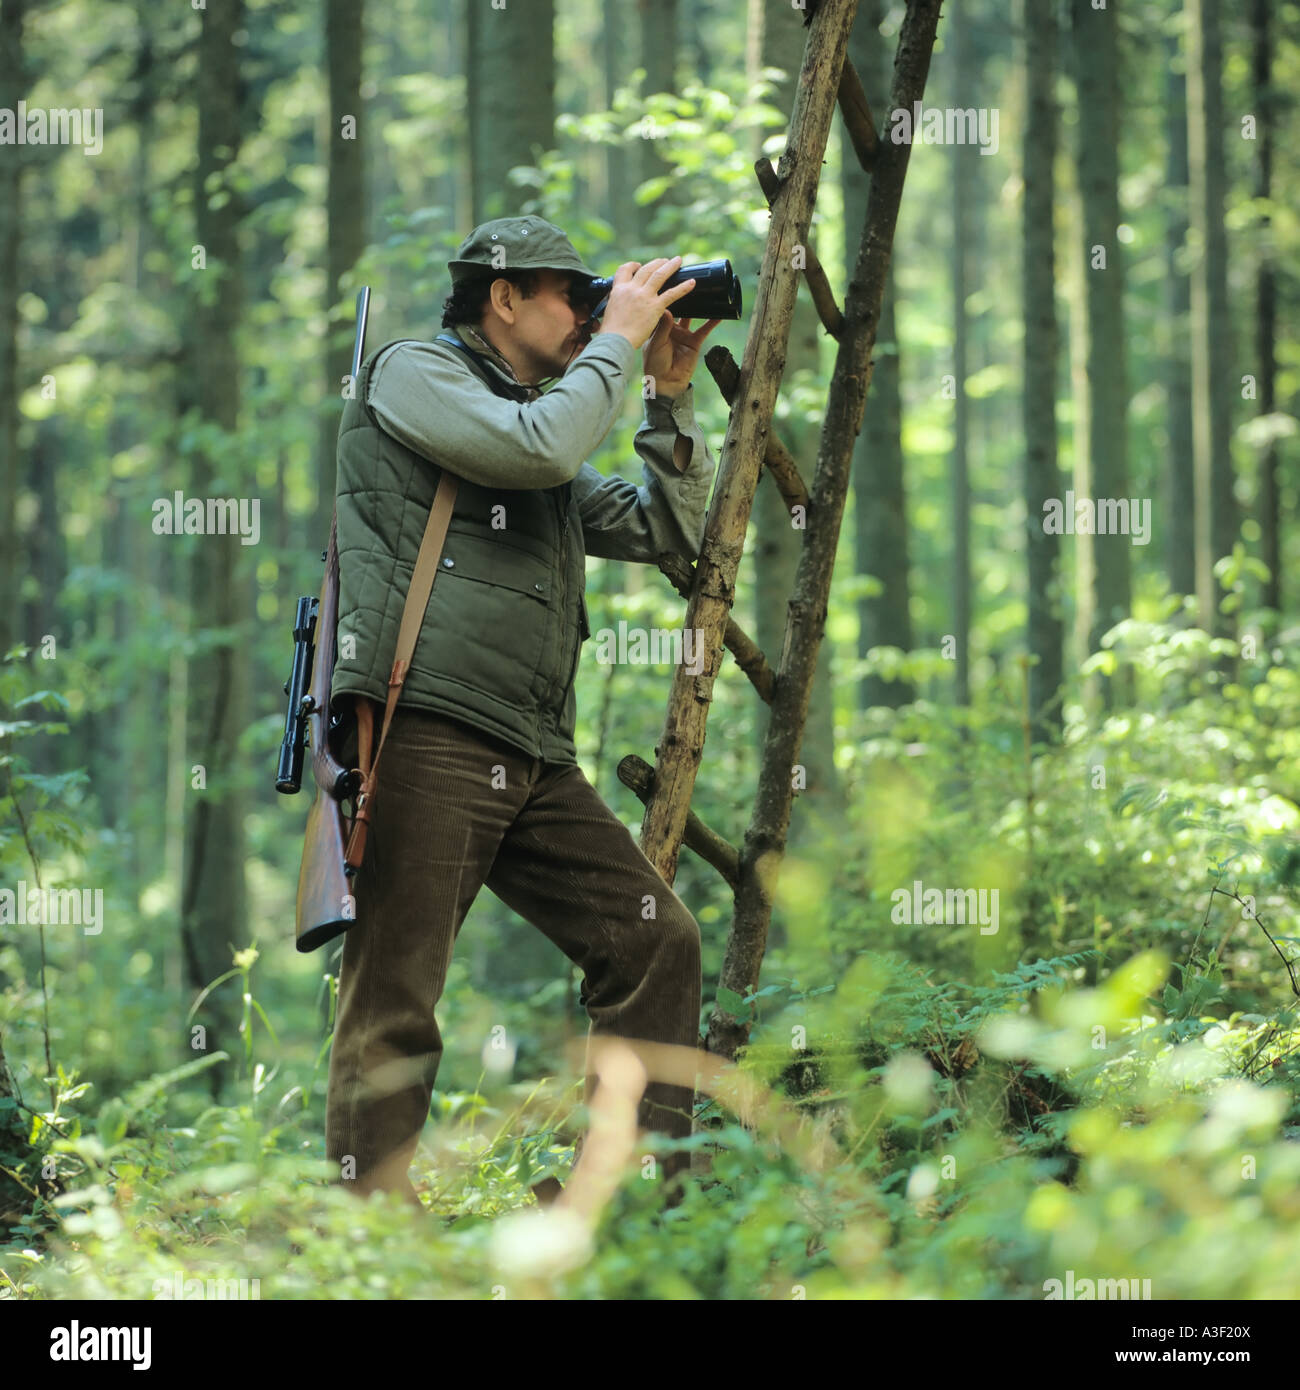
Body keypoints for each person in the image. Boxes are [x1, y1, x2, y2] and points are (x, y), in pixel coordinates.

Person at [324, 214, 721, 1210]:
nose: (593, 317)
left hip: (531, 748)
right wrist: (621, 341)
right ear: (501, 296)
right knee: (396, 998)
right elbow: (537, 451)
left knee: (654, 941)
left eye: (601, 302)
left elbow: (669, 532)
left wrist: (668, 392)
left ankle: (626, 1196)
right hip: (429, 728)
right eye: (574, 299)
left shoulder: (532, 422)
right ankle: (372, 1234)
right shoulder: (416, 373)